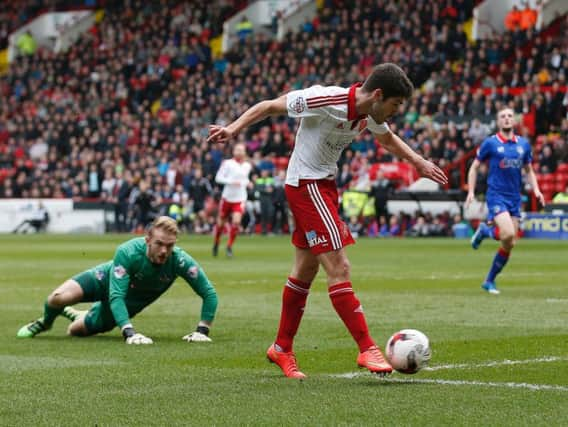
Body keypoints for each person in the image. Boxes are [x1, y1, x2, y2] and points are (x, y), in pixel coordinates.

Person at [207, 63, 447, 379]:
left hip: (323, 185)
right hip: (307, 185)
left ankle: (281, 348)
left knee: (305, 270)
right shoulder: (325, 100)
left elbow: (386, 138)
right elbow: (269, 106)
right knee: (339, 267)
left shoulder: (368, 113)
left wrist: (417, 161)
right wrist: (233, 129)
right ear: (377, 95)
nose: (396, 111)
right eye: (395, 104)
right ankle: (367, 348)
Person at [17, 216, 218, 344]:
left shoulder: (180, 260)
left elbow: (209, 293)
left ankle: (76, 315)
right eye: (159, 244)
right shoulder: (128, 252)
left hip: (128, 303)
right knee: (57, 298)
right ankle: (45, 322)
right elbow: (116, 294)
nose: (164, 250)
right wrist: (128, 331)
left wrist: (203, 330)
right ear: (147, 240)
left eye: (170, 245)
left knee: (74, 331)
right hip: (104, 280)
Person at [466, 107, 545, 295]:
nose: (507, 119)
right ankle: (486, 230)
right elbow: (474, 167)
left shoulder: (524, 144)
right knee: (508, 234)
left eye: (510, 116)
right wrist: (471, 191)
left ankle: (489, 280)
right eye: (503, 116)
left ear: (514, 121)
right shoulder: (490, 144)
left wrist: (536, 189)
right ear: (498, 121)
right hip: (496, 196)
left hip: (514, 198)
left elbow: (529, 169)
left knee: (509, 243)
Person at [213, 143, 252, 257]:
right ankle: (216, 242)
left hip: (240, 198)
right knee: (220, 224)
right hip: (227, 197)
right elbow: (218, 178)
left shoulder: (247, 166)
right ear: (233, 151)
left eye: (241, 150)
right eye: (237, 149)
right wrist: (231, 182)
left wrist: (248, 183)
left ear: (244, 152)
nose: (239, 152)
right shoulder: (227, 163)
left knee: (236, 222)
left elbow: (244, 179)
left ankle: (229, 246)